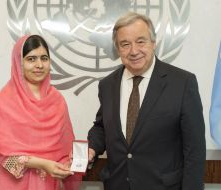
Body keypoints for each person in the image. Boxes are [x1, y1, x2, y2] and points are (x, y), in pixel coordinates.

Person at [88, 12, 206, 190]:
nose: (134, 51)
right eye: (125, 44)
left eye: (141, 41)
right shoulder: (107, 85)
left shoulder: (182, 83)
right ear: (118, 49)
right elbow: (103, 127)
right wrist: (91, 148)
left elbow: (194, 151)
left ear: (153, 43)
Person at [0, 35, 81, 190]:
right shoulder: (3, 103)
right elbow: (6, 156)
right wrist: (43, 164)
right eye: (31, 59)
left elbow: (65, 147)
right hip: (14, 184)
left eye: (44, 58)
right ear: (19, 63)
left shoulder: (57, 100)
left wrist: (68, 163)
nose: (39, 65)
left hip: (50, 183)